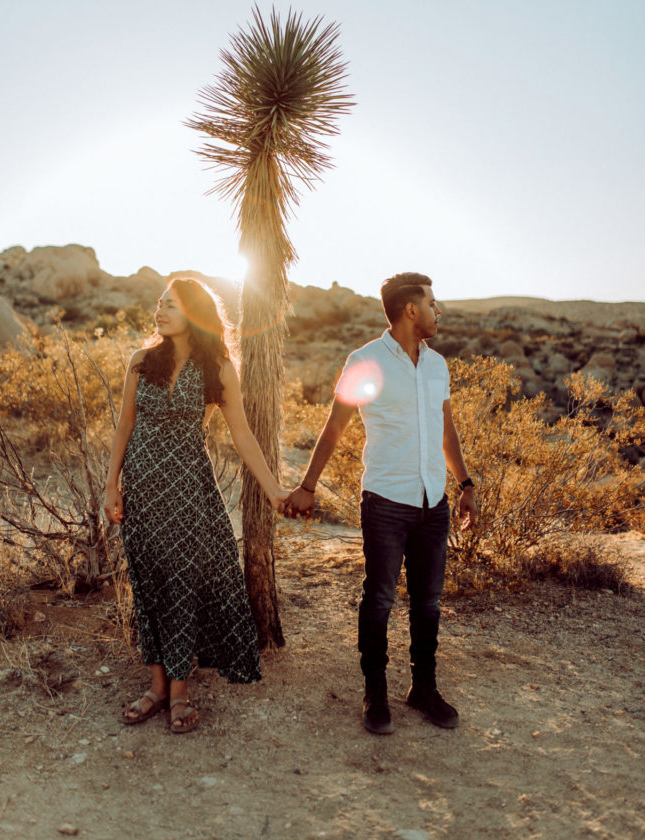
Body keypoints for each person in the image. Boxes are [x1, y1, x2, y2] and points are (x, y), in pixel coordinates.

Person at [284, 272, 476, 735]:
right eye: (432, 303)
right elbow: (334, 428)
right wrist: (307, 486)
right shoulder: (365, 360)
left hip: (435, 502)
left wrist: (466, 483)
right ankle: (375, 690)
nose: (438, 311)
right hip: (387, 501)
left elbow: (446, 430)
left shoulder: (437, 365)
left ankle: (423, 687)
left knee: (428, 602)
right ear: (411, 309)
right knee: (381, 598)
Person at [103, 277, 289, 733]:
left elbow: (242, 435)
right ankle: (156, 685)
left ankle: (180, 689)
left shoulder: (218, 367)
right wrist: (111, 486)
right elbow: (124, 426)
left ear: (195, 313)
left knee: (182, 581)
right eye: (159, 303)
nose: (159, 310)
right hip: (142, 488)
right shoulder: (141, 362)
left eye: (170, 304)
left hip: (188, 489)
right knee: (149, 583)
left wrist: (274, 490)